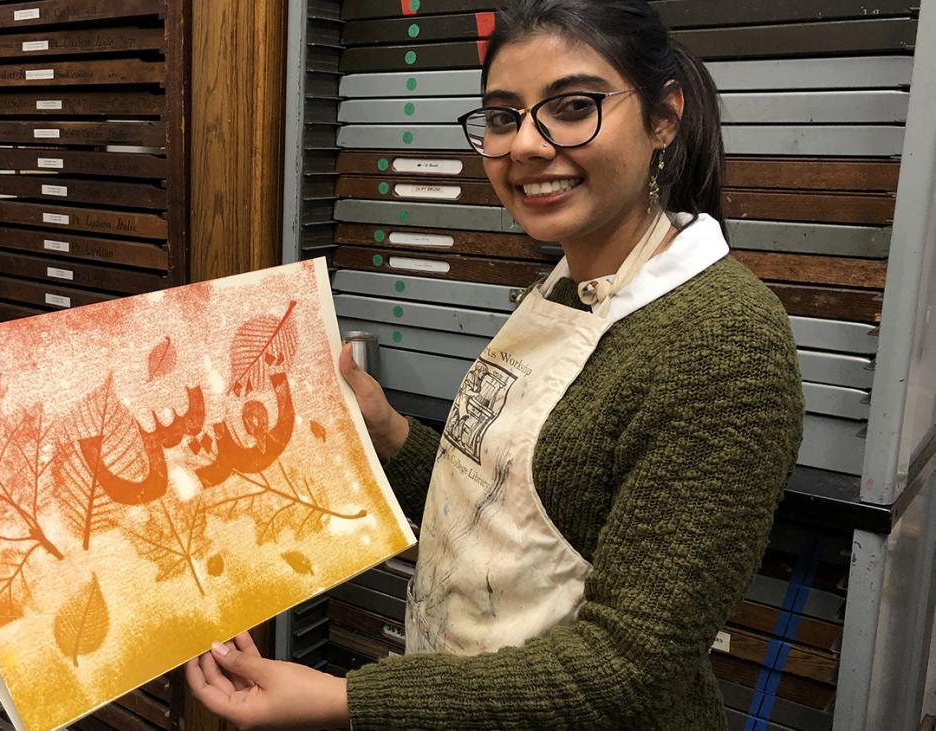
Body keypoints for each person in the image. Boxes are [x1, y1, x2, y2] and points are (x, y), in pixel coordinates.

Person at [185, 1, 804, 727]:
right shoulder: (560, 288)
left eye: (573, 108)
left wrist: (343, 699)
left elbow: (630, 666)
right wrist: (387, 431)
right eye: (504, 117)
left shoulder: (723, 341)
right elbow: (498, 520)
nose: (528, 146)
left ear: (664, 117)